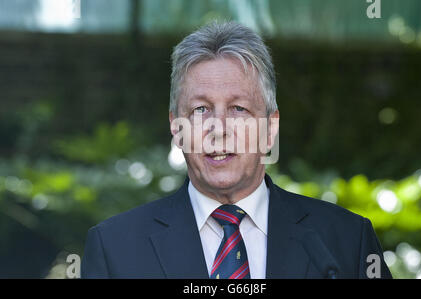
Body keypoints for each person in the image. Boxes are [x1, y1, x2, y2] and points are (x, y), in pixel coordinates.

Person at [81, 21, 392, 279]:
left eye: (239, 109)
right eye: (201, 110)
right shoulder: (115, 248)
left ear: (270, 129)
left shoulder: (347, 242)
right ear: (177, 129)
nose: (220, 128)